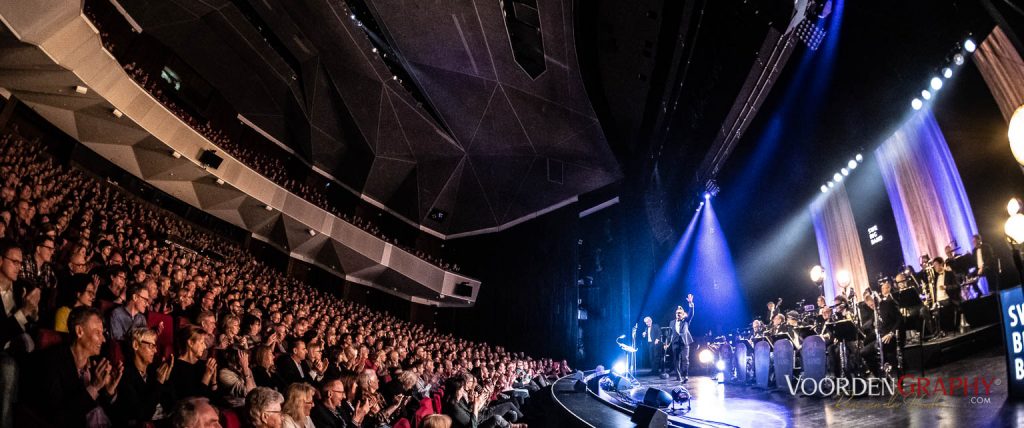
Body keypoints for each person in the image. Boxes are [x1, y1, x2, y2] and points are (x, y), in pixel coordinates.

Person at [33, 306, 122, 426]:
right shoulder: (53, 362)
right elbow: (59, 417)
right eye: (97, 333)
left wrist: (110, 392)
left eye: (103, 333)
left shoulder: (97, 364)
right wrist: (93, 388)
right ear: (79, 331)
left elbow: (113, 414)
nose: (104, 339)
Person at [112, 327, 174, 426]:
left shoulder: (154, 369)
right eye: (151, 346)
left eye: (155, 346)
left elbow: (170, 403)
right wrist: (159, 382)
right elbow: (143, 414)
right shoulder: (124, 374)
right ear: (136, 345)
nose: (155, 351)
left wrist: (166, 379)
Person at [666, 294, 694, 382]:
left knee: (685, 359)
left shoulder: (686, 321)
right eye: (677, 313)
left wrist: (691, 304)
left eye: (680, 313)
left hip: (684, 342)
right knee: (676, 360)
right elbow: (669, 334)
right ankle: (678, 376)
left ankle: (685, 376)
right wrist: (667, 343)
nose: (678, 314)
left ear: (683, 314)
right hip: (675, 343)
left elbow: (691, 314)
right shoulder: (671, 322)